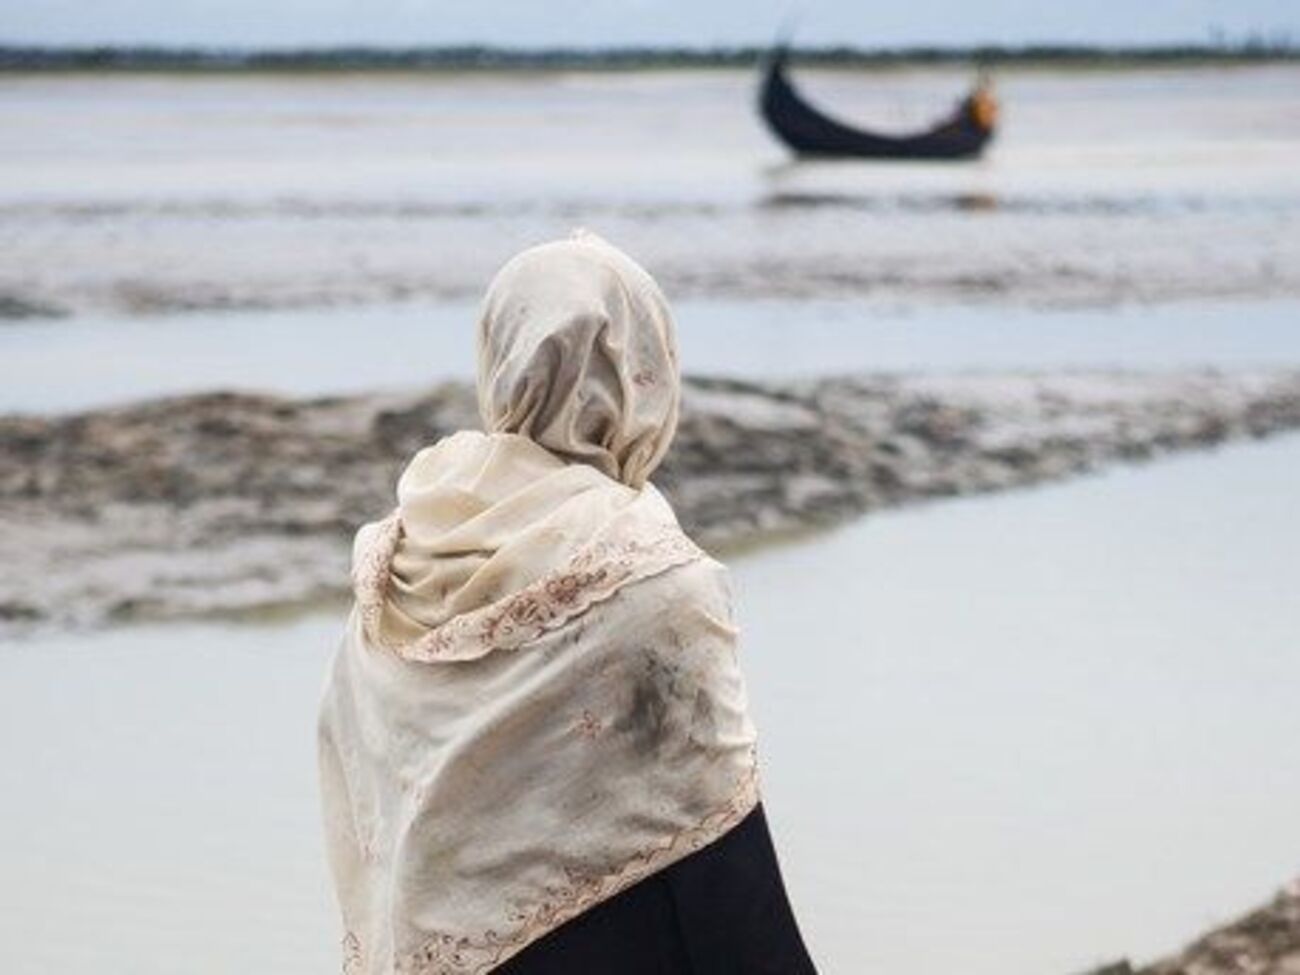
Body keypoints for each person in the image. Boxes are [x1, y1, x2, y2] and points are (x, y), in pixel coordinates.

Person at [317, 230, 817, 975]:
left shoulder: (402, 560)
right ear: (642, 373)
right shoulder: (657, 586)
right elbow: (732, 893)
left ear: (500, 360)